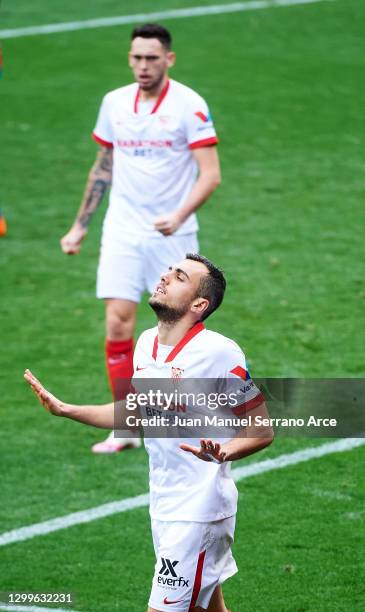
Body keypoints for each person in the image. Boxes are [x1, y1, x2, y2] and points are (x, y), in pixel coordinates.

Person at [25, 254, 274, 612]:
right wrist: (66, 410)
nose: (165, 277)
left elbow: (261, 429)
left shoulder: (219, 353)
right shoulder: (145, 344)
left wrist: (225, 451)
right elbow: (139, 413)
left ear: (198, 304)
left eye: (179, 277)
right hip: (164, 501)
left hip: (199, 510)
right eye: (169, 271)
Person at [59, 23, 221, 453]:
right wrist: (80, 226)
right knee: (117, 321)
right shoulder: (114, 103)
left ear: (168, 59)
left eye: (152, 58)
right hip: (122, 231)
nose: (143, 66)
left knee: (179, 327)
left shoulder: (189, 105)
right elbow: (103, 167)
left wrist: (179, 214)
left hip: (173, 235)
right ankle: (127, 423)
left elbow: (211, 175)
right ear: (129, 58)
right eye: (137, 58)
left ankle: (188, 412)